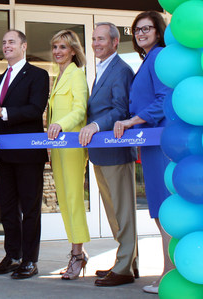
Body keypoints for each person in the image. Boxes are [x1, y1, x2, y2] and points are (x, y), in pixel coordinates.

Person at [113, 11, 172, 294]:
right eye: (136, 30)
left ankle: (169, 274)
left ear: (159, 31)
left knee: (166, 210)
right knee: (160, 211)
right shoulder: (147, 60)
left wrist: (131, 121)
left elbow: (164, 99)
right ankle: (168, 270)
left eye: (147, 28)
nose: (140, 33)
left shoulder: (159, 56)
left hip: (161, 144)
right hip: (149, 144)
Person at [0, 29, 49, 279]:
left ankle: (30, 260)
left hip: (28, 152)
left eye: (12, 41)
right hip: (3, 152)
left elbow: (35, 109)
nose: (6, 45)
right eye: (4, 42)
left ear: (24, 46)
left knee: (30, 208)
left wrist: (3, 113)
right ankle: (12, 255)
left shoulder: (38, 74)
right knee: (8, 207)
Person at [79, 22, 139, 287]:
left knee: (123, 213)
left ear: (115, 42)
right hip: (100, 152)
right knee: (114, 213)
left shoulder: (121, 70)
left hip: (116, 151)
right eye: (93, 39)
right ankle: (127, 263)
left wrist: (95, 125)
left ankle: (124, 267)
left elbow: (120, 109)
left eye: (101, 39)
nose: (95, 43)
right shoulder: (101, 70)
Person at [46, 29, 90, 280]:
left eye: (63, 47)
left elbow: (79, 109)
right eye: (55, 47)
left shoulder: (76, 75)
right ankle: (75, 252)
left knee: (73, 200)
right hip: (58, 148)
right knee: (64, 200)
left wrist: (61, 124)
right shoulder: (58, 76)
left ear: (73, 50)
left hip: (72, 146)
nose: (57, 52)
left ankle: (78, 254)